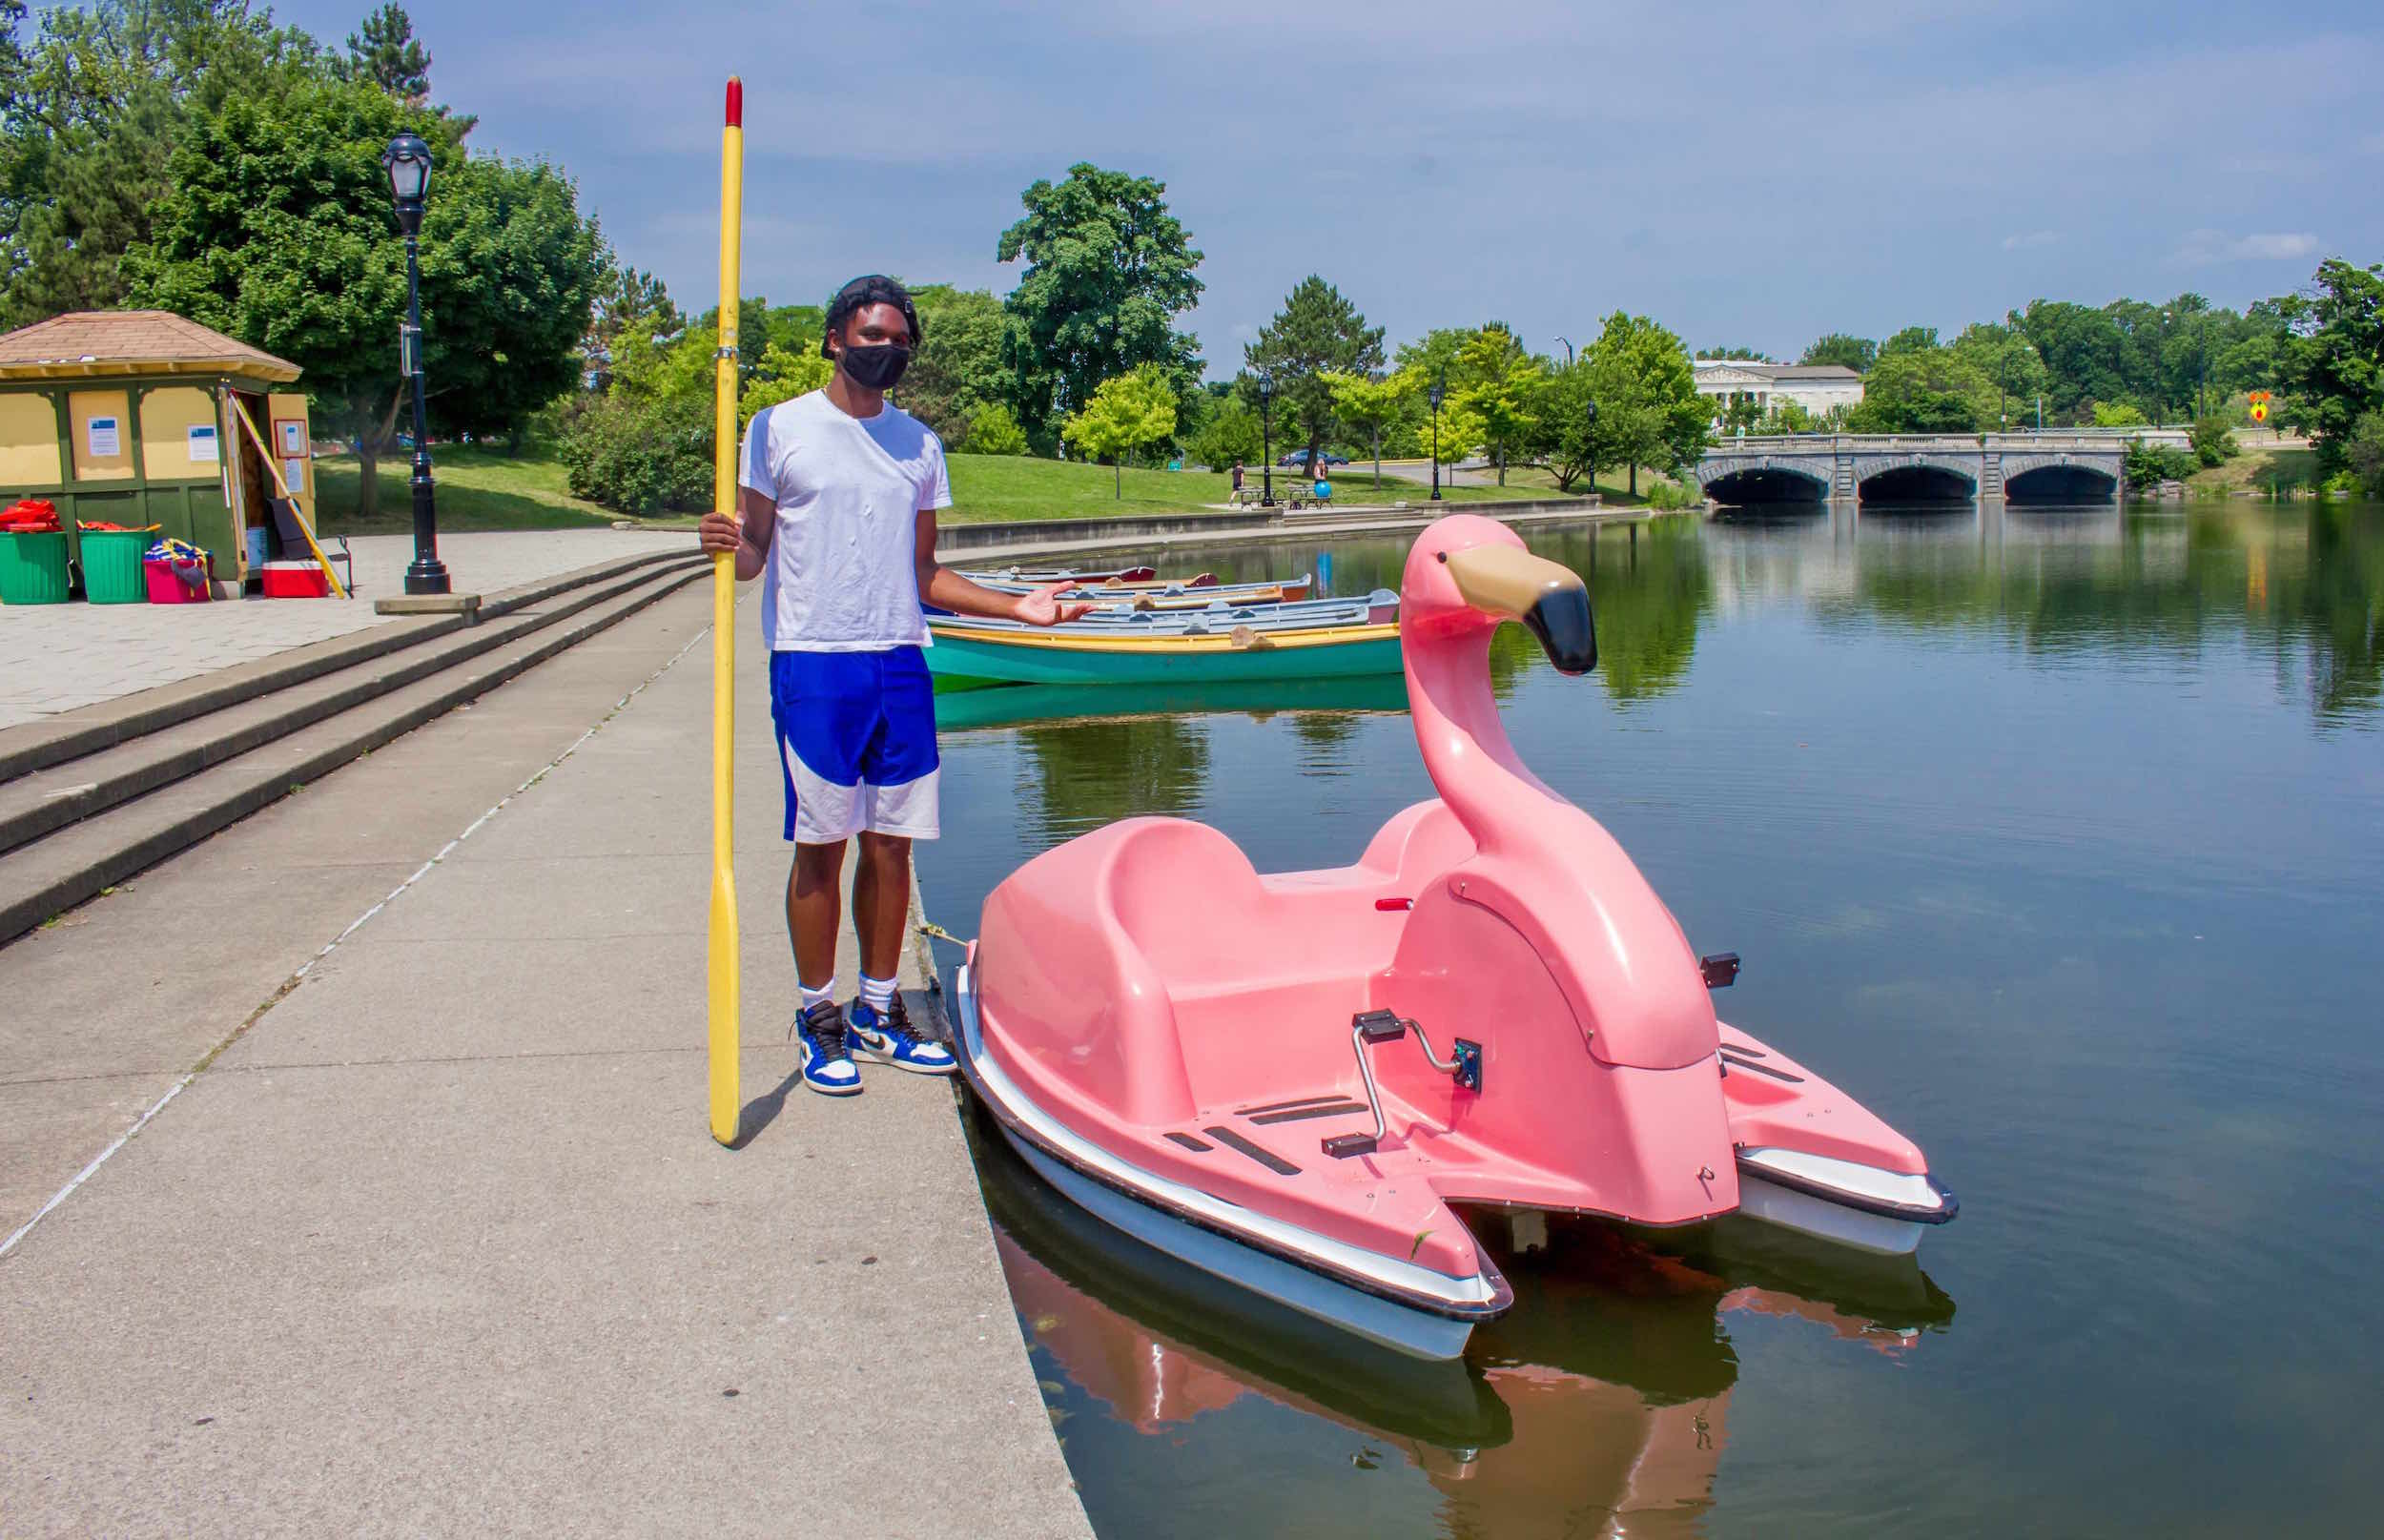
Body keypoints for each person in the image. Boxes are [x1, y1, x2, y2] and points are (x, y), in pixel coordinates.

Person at [697, 275, 1091, 1096]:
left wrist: (1020, 607)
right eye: (871, 335)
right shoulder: (778, 429)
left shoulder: (920, 444)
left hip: (900, 660)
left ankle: (880, 1008)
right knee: (822, 844)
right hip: (815, 661)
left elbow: (925, 573)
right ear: (836, 338)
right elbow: (751, 558)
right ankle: (820, 1015)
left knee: (892, 843)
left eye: (900, 340)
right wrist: (721, 542)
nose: (887, 350)